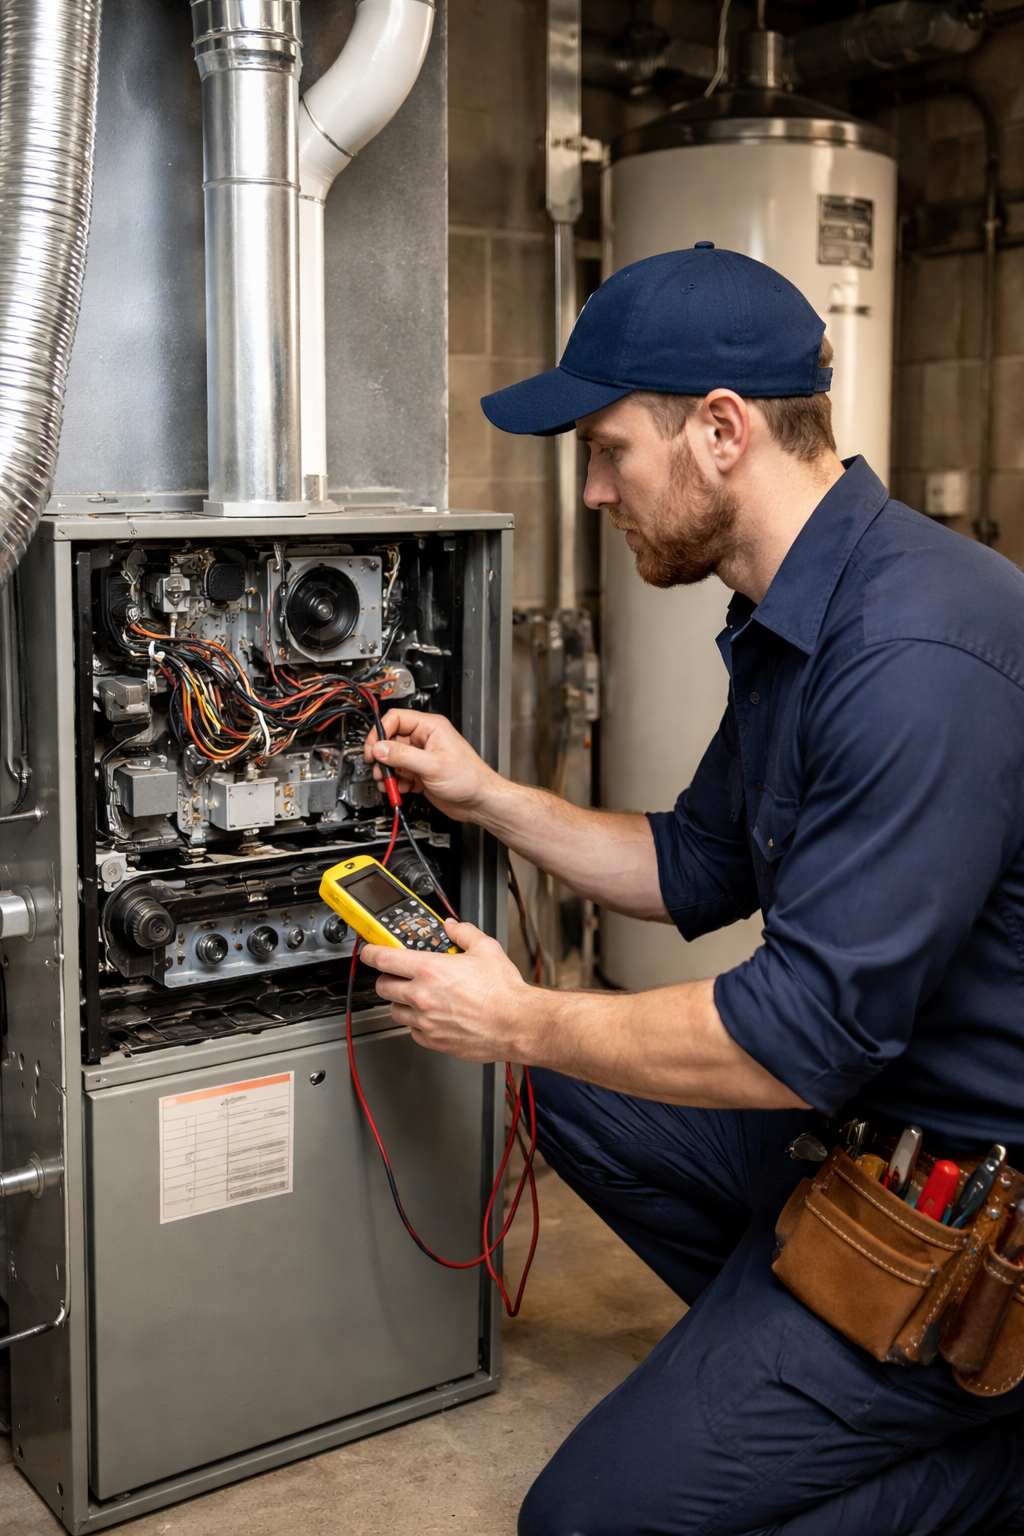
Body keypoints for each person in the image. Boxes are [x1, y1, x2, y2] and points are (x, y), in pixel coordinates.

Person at [361, 245, 1024, 1535]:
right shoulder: (795, 618)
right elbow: (692, 865)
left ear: (721, 431)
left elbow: (798, 1034)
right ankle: (779, 1340)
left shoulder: (913, 653)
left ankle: (974, 1436)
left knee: (584, 1525)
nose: (595, 489)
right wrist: (487, 793)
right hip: (852, 1134)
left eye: (609, 450)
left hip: (960, 1212)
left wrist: (521, 1015)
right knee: (550, 1082)